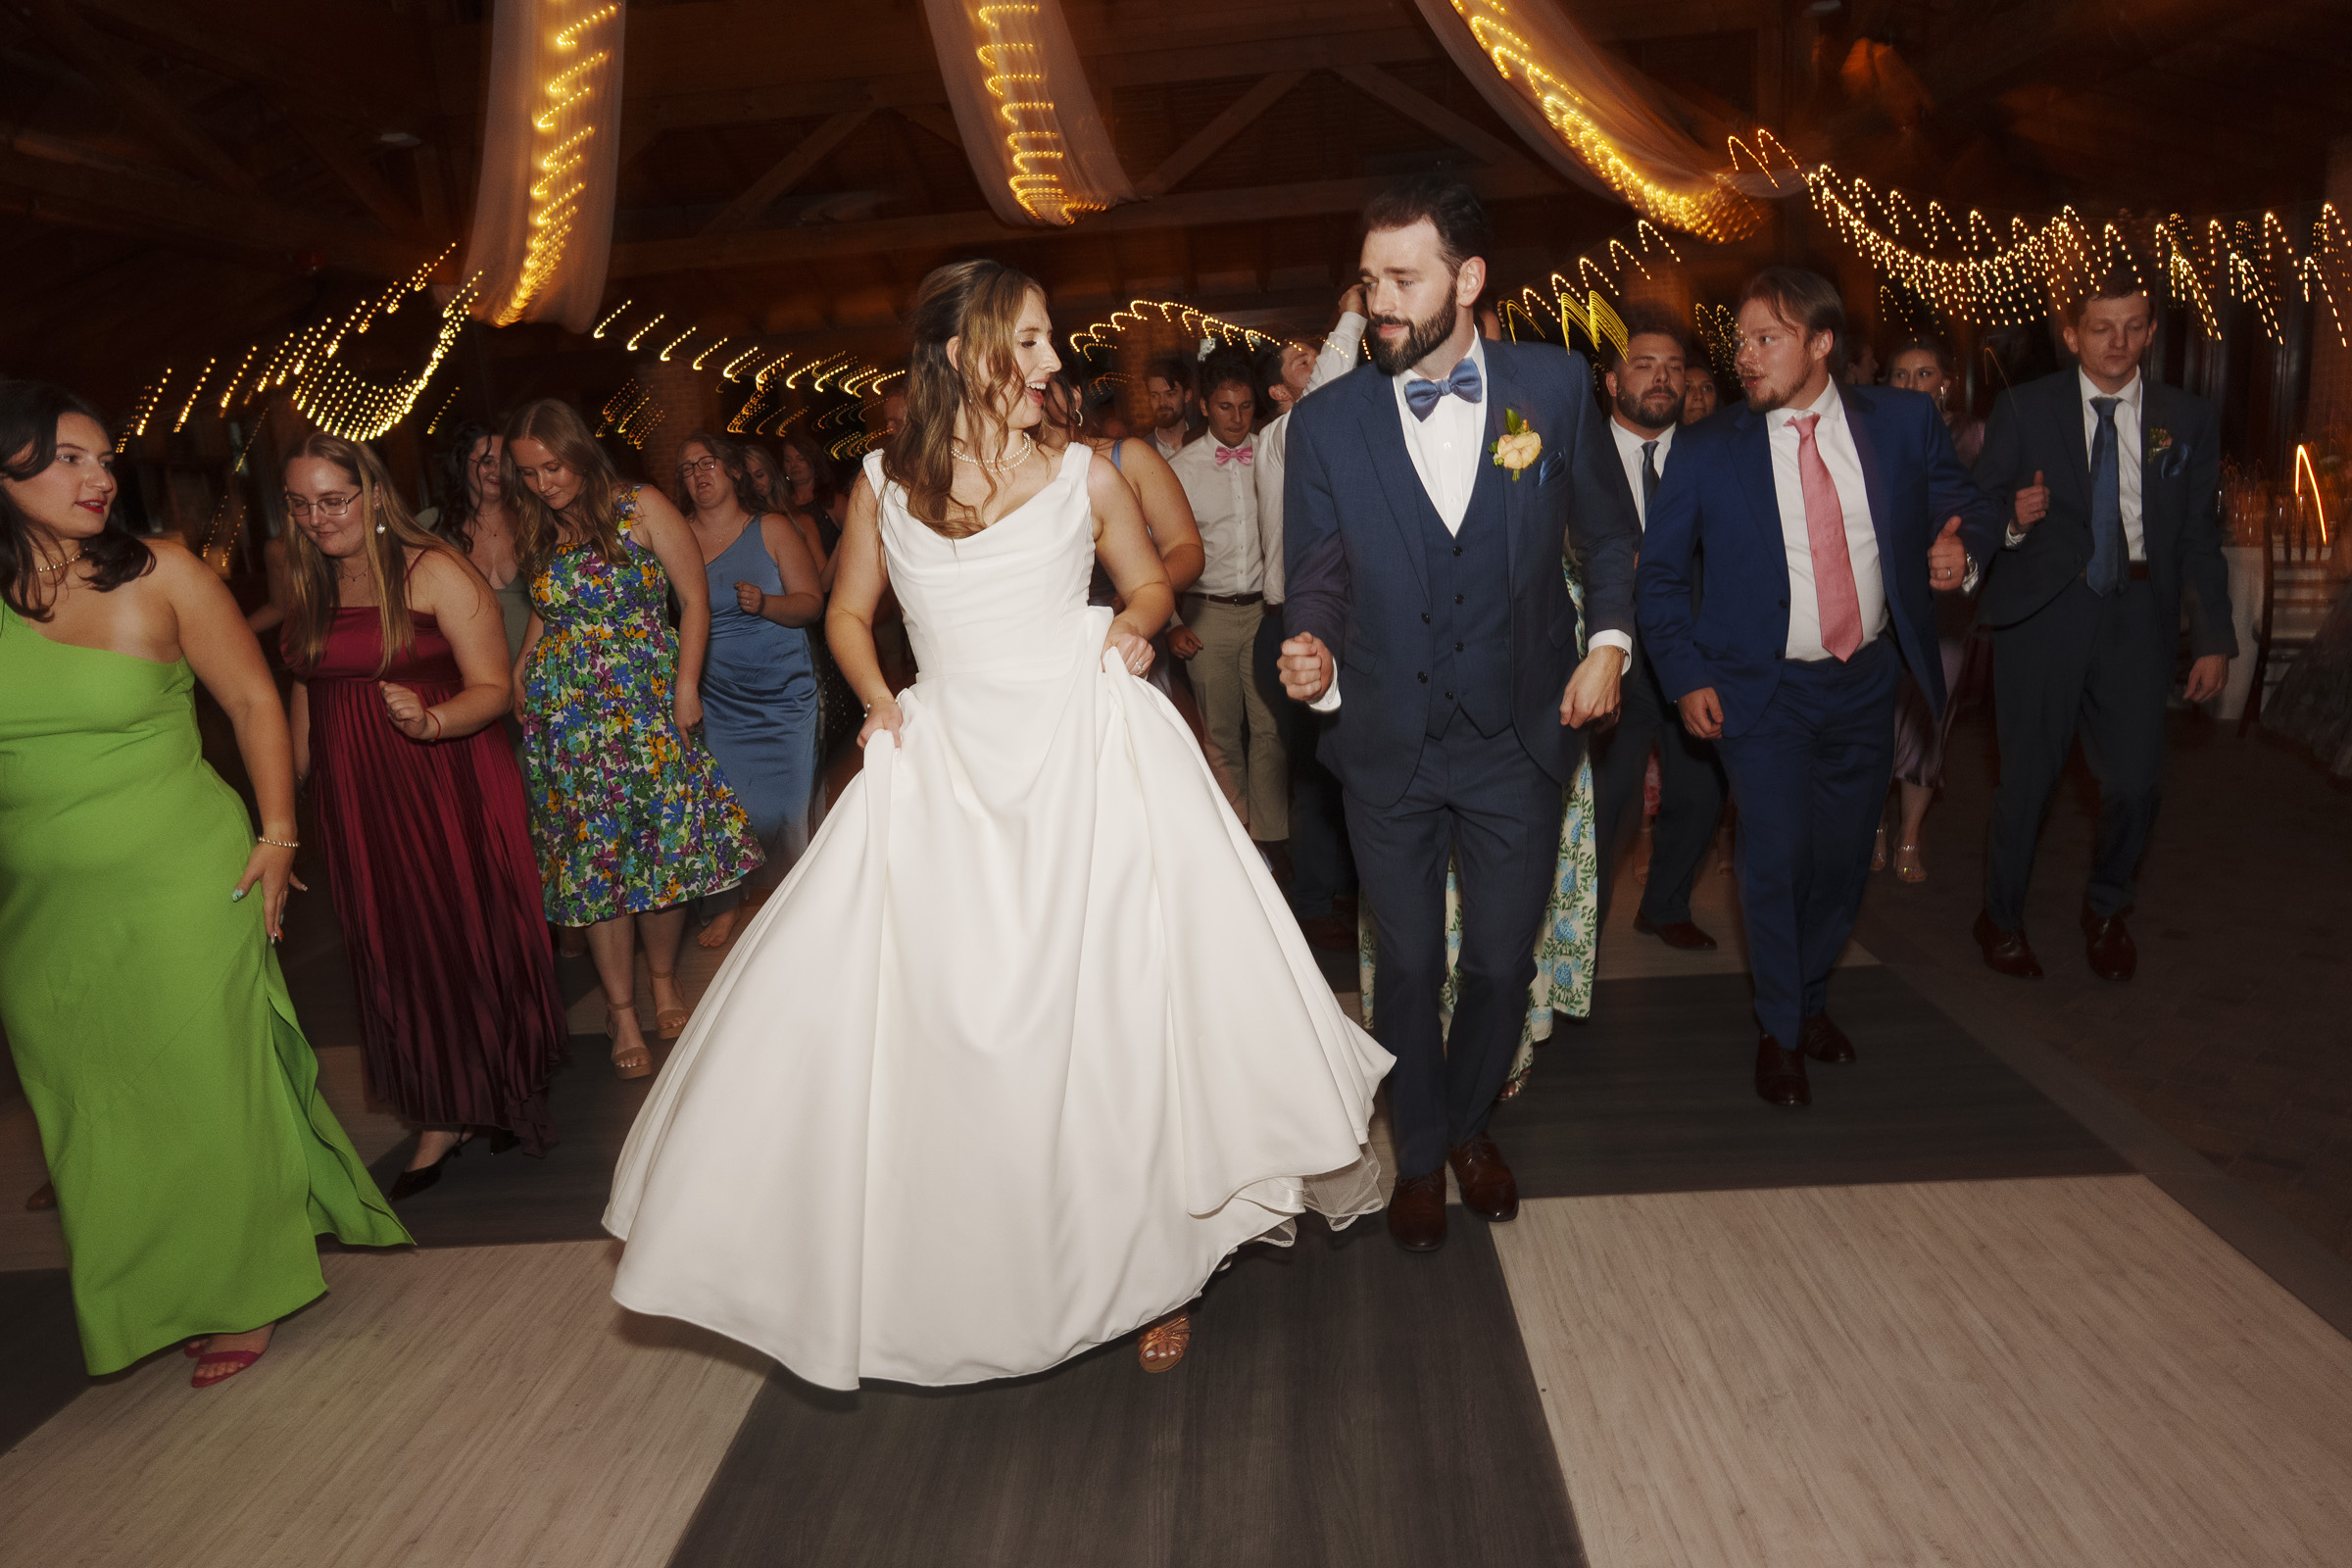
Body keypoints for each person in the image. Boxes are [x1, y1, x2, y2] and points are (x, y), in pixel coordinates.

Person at [605, 260, 1388, 1388]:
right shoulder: (881, 480)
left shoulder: (1086, 473)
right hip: (951, 764)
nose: (1051, 361)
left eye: (1048, 340)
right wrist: (878, 703)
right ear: (965, 352)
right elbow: (846, 610)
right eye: (1026, 342)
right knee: (958, 1032)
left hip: (1085, 755)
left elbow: (1156, 583)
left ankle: (1162, 1269)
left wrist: (1134, 626)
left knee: (1121, 1020)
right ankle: (979, 1260)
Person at [0, 380, 410, 1386]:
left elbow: (253, 699)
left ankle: (242, 1282)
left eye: (104, 459)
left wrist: (279, 836)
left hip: (188, 873)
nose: (98, 478)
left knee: (203, 1077)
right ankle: (147, 1286)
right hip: (45, 906)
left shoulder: (164, 572)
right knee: (93, 1099)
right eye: (69, 459)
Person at [1278, 177, 1638, 1253]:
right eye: (1370, 279)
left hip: (1519, 741)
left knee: (1496, 965)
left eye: (1403, 279)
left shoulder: (1556, 387)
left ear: (1469, 279)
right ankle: (1425, 1152)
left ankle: (1474, 1119)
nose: (1379, 301)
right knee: (1409, 966)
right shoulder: (1329, 422)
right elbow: (1321, 573)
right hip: (1383, 743)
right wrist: (1314, 649)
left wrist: (1609, 645)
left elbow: (1612, 538)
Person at [1638, 268, 1996, 1109]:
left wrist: (1963, 546)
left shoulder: (1902, 424)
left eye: (1767, 340)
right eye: (1739, 343)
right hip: (1759, 692)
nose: (1745, 358)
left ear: (1821, 343)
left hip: (1867, 684)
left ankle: (1806, 1002)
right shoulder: (1707, 446)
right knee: (1774, 857)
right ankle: (1780, 1032)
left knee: (1840, 863)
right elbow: (1658, 579)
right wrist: (1685, 675)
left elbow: (1964, 502)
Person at [280, 430, 569, 1193]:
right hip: (358, 798)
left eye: (334, 499)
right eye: (302, 504)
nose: (318, 517)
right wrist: (280, 807)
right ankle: (441, 1105)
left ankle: (494, 1090)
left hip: (445, 781)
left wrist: (431, 721)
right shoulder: (310, 581)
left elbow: (494, 688)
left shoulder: (436, 570)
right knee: (392, 946)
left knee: (463, 936)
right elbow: (305, 702)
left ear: (374, 494)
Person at [1971, 271, 2234, 981]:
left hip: (2137, 618)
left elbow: (2199, 538)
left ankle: (2108, 907)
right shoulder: (2025, 409)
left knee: (2136, 784)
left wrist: (2211, 638)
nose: (2118, 342)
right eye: (2101, 328)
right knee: (2026, 783)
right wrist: (2011, 522)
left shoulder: (2186, 418)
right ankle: (2000, 919)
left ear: (2150, 332)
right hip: (2045, 616)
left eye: (2133, 326)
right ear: (2071, 335)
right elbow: (1982, 507)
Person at [505, 399, 764, 1079]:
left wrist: (686, 688)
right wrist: (522, 670)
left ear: (579, 452)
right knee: (592, 866)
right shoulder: (537, 523)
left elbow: (695, 601)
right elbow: (548, 610)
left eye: (552, 468)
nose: (542, 485)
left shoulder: (641, 505)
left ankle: (663, 982)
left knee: (658, 848)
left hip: (645, 699)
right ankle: (621, 1013)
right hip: (567, 719)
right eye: (528, 475)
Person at [1590, 307, 1730, 952]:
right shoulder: (1575, 454)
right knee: (1607, 800)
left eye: (1674, 367)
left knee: (1700, 792)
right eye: (1645, 366)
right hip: (1606, 654)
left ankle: (1666, 903)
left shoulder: (1715, 453)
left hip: (1692, 648)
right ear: (1612, 379)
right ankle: (1580, 926)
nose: (1663, 379)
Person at [674, 431, 825, 949]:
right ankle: (727, 904)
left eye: (707, 462)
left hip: (785, 694)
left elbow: (811, 604)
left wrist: (765, 605)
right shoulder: (679, 536)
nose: (698, 475)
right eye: (688, 468)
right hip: (719, 699)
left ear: (734, 470)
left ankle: (800, 901)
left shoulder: (772, 528)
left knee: (786, 809)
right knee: (730, 807)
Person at [1252, 289, 1366, 946]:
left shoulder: (1326, 442)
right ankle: (1316, 899)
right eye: (1300, 360)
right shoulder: (1284, 434)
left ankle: (1343, 889)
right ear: (1278, 392)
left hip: (1333, 621)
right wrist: (1348, 315)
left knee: (1343, 760)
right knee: (1318, 769)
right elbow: (1328, 387)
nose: (1317, 360)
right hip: (1293, 625)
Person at [1879, 334, 1989, 882]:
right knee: (1876, 716)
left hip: (1945, 603)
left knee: (1928, 713)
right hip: (1880, 600)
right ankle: (1873, 825)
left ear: (1944, 380)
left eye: (1924, 374)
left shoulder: (1974, 434)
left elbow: (1986, 513)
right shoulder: (1869, 435)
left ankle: (1911, 834)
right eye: (1901, 374)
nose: (1913, 384)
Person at [1169, 353, 1287, 855]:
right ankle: (1239, 843)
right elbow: (1158, 554)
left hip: (1265, 613)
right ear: (1203, 406)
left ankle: (1273, 841)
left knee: (1270, 732)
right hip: (1205, 615)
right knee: (1220, 734)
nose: (1237, 419)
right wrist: (1171, 621)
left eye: (1244, 407)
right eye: (1224, 407)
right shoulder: (1179, 469)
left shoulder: (1272, 454)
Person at [1143, 355, 1195, 462]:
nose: (1162, 403)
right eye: (1155, 396)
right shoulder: (1142, 450)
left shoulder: (1202, 442)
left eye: (1170, 394)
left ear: (1187, 396)